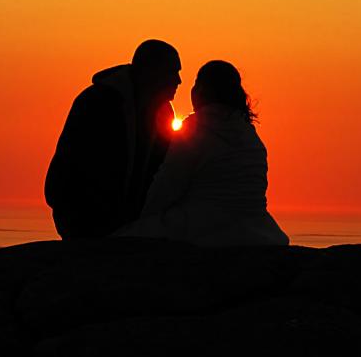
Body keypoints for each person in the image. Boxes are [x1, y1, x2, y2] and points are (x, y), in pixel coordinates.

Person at [116, 60, 289, 247]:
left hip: (204, 223)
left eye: (196, 83)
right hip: (256, 227)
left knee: (123, 238)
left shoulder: (195, 130)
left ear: (203, 91)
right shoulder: (249, 134)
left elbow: (167, 185)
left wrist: (144, 218)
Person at [45, 40, 182, 239]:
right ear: (151, 72)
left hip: (128, 224)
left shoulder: (164, 113)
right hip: (85, 219)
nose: (178, 81)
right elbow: (71, 165)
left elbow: (160, 173)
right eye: (172, 72)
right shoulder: (98, 102)